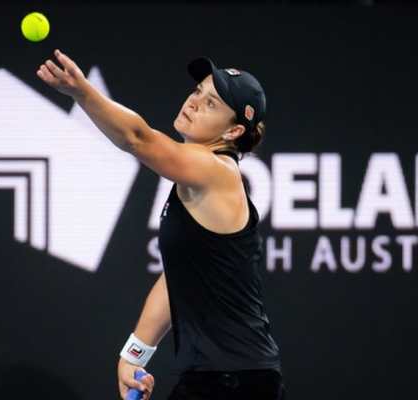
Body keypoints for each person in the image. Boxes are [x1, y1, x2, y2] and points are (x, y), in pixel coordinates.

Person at [37, 50, 284, 400]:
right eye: (198, 90)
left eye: (211, 103)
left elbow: (137, 138)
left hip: (236, 382)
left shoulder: (217, 172)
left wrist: (82, 93)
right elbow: (179, 277)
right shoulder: (195, 179)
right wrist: (134, 354)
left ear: (233, 131)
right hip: (224, 377)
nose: (194, 102)